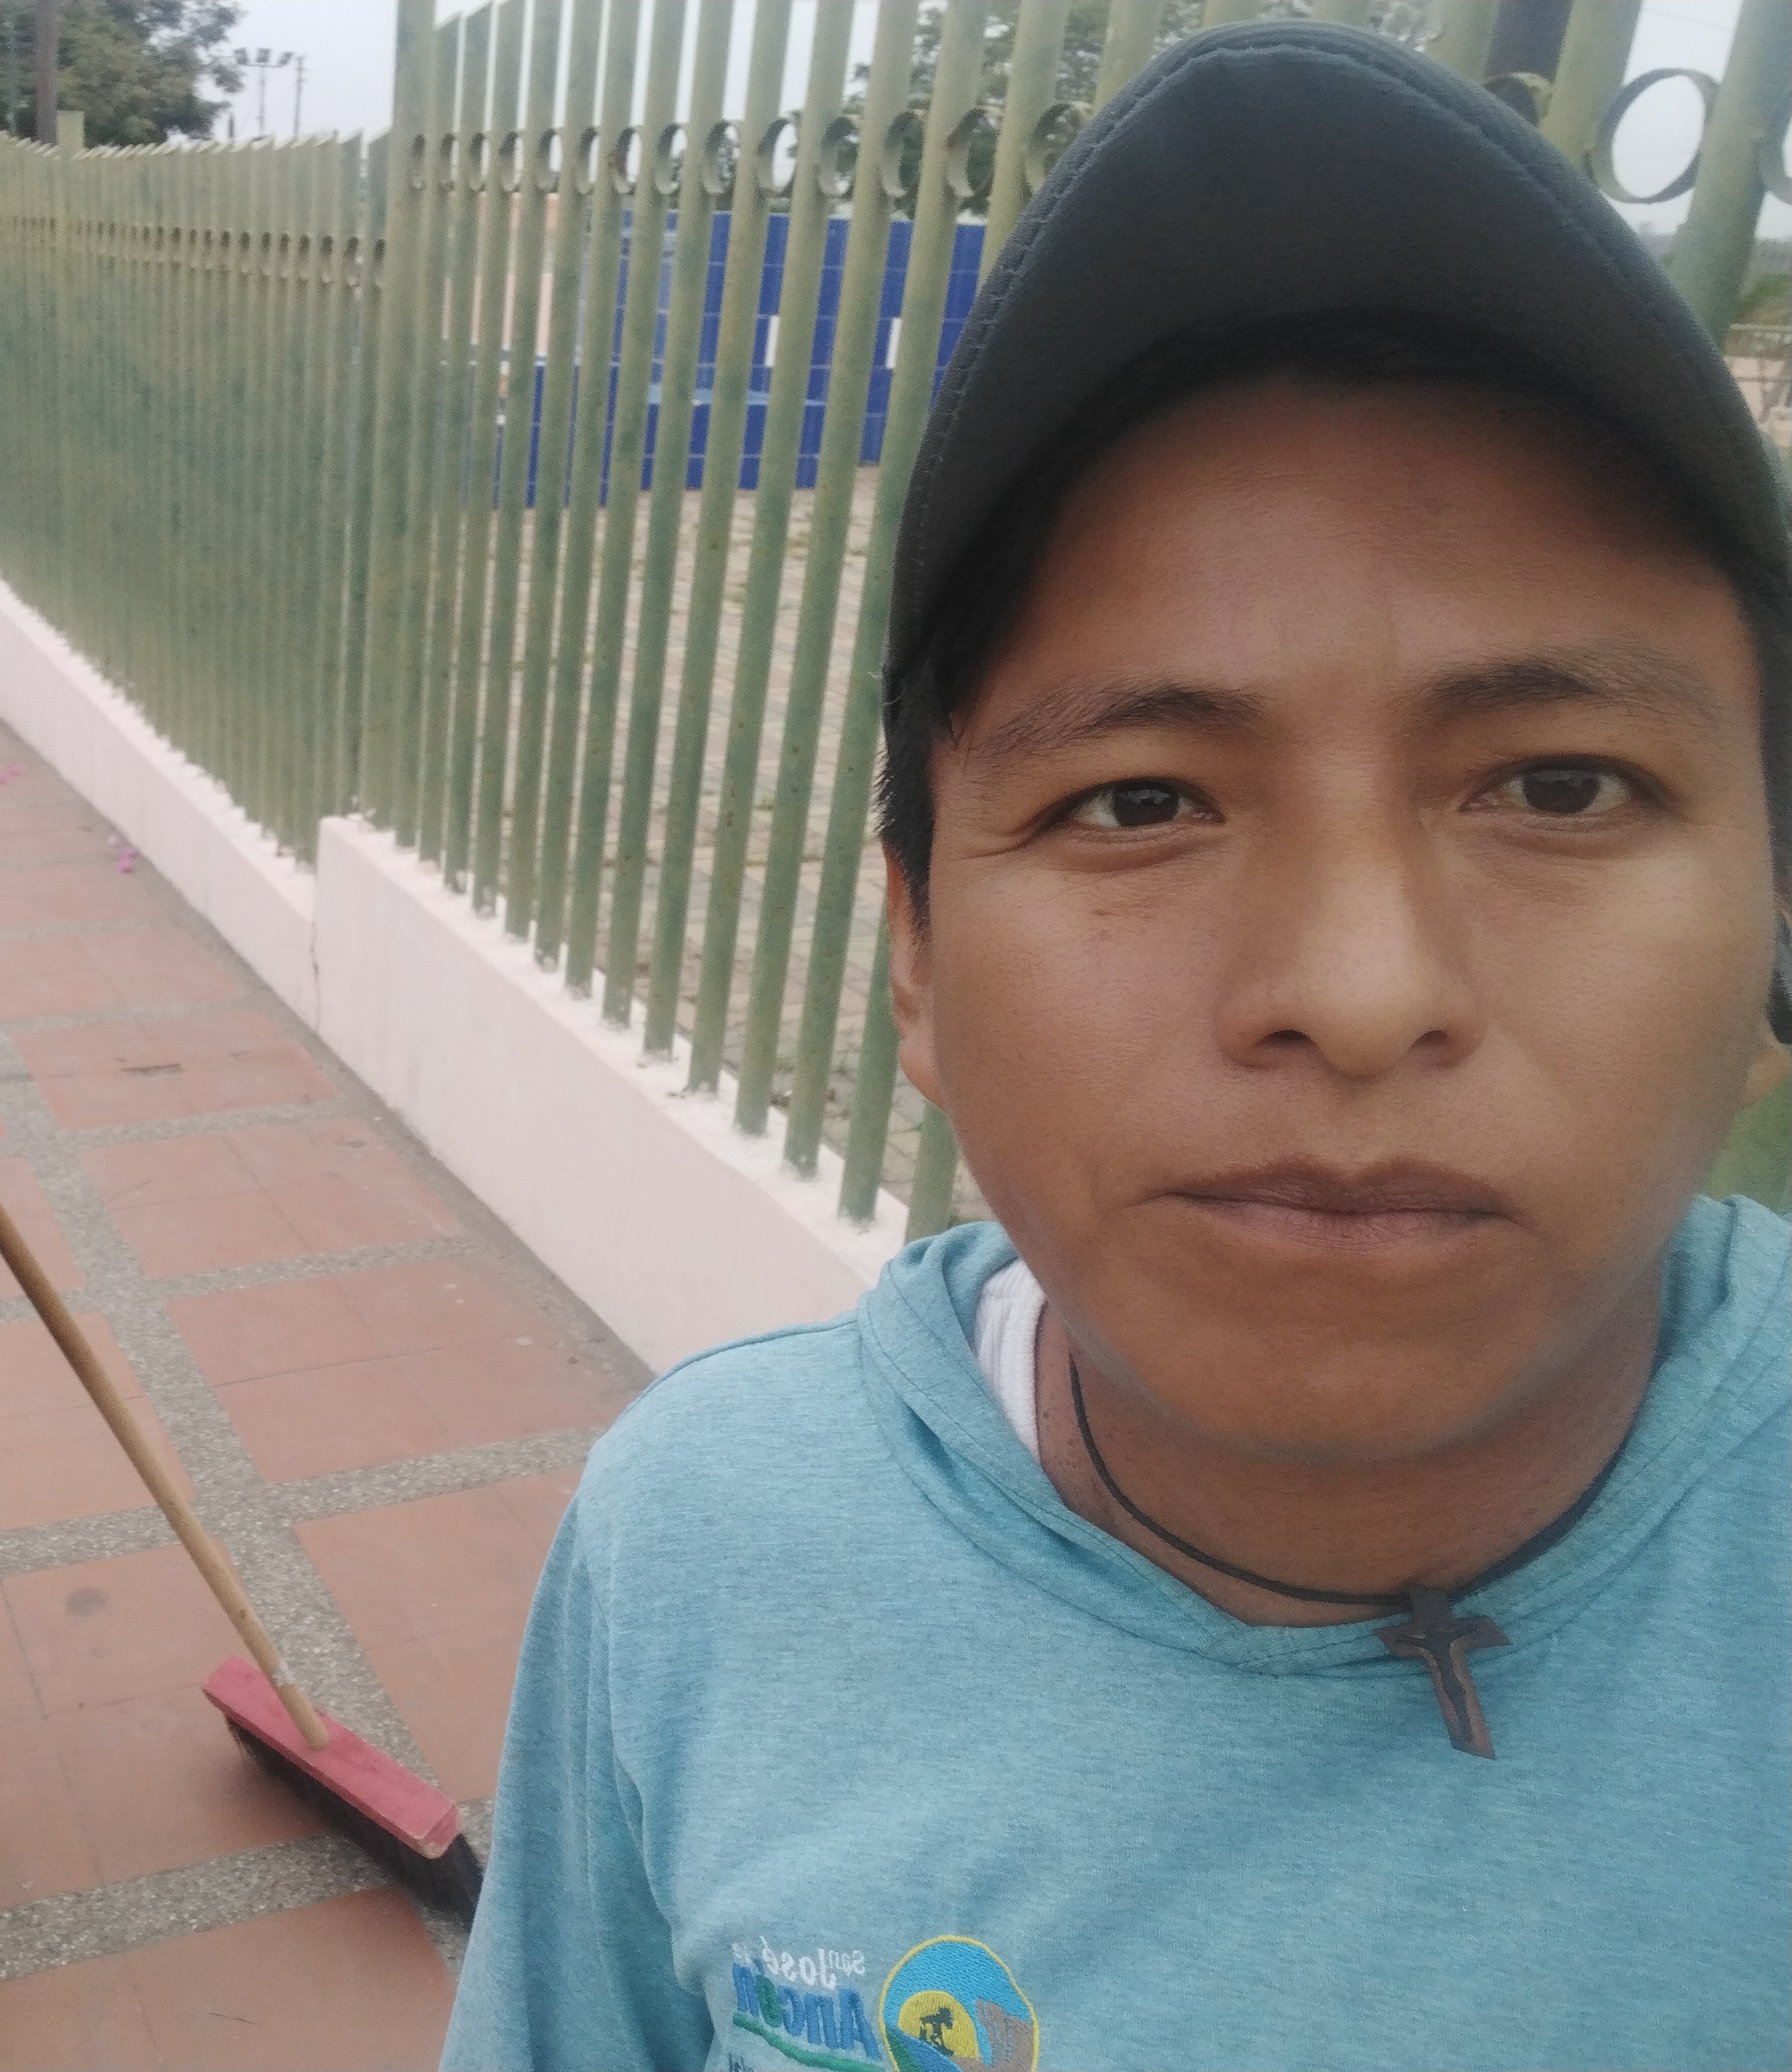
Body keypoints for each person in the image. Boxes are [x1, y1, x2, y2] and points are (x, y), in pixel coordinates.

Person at [443, 23, 1791, 2072]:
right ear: (913, 955)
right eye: (1141, 801)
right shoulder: (697, 1549)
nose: (1359, 991)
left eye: (1561, 786)